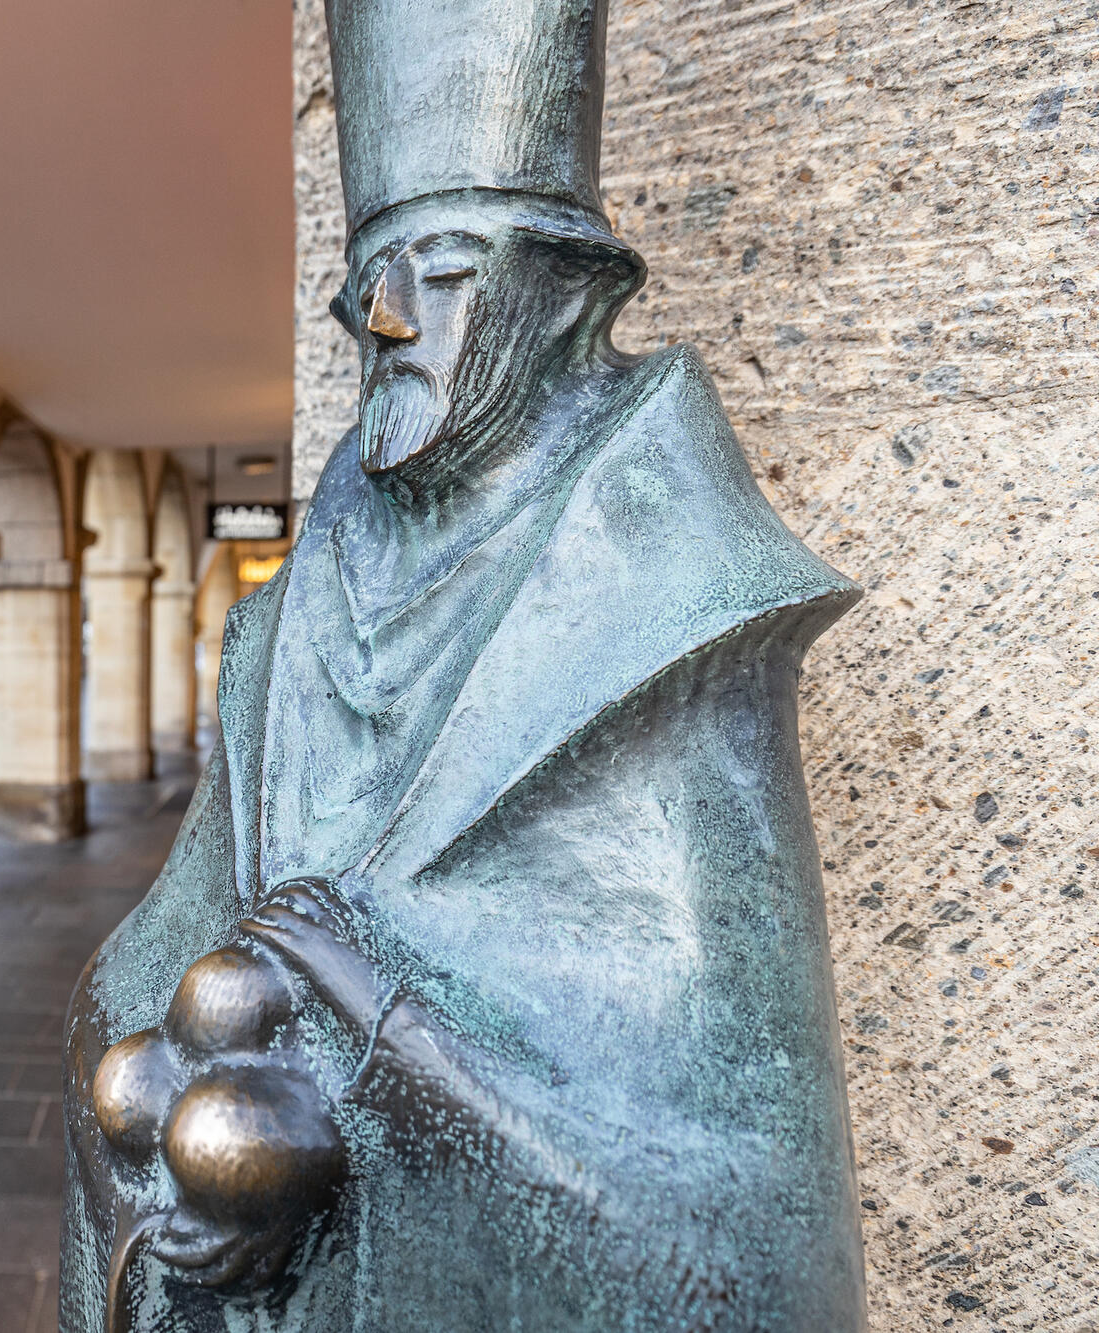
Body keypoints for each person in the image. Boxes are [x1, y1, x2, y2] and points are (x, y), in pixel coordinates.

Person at [61, 1, 869, 1327]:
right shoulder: (292, 612)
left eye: (439, 266)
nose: (381, 316)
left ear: (562, 292)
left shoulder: (673, 620)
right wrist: (175, 1158)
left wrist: (390, 1043)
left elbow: (744, 1249)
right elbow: (152, 962)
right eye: (365, 277)